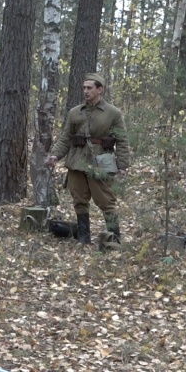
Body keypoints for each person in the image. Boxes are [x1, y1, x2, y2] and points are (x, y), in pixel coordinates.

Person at [46, 72, 131, 245]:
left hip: (100, 162)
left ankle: (114, 240)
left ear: (100, 89)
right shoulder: (75, 112)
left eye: (90, 88)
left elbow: (122, 139)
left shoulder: (113, 113)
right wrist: (55, 154)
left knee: (106, 201)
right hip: (76, 161)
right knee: (79, 200)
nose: (86, 91)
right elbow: (65, 137)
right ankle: (84, 239)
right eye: (84, 88)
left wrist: (122, 165)